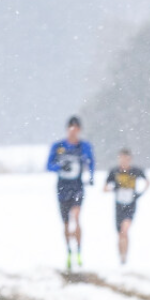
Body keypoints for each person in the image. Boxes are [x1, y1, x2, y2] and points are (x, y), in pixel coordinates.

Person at [46, 116, 95, 271]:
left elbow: (91, 161)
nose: (73, 132)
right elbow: (48, 165)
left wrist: (91, 176)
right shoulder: (58, 146)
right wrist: (60, 166)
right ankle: (69, 250)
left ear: (79, 130)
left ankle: (79, 250)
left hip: (77, 187)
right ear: (67, 129)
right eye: (71, 129)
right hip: (62, 188)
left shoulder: (84, 146)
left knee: (76, 215)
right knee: (66, 223)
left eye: (76, 129)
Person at [103, 148, 149, 265]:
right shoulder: (114, 171)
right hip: (118, 206)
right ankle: (121, 257)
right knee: (120, 234)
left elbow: (148, 182)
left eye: (126, 159)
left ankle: (125, 257)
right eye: (121, 158)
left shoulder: (135, 171)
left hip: (131, 205)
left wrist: (140, 193)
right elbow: (104, 188)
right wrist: (113, 189)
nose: (123, 161)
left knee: (125, 230)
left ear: (130, 159)